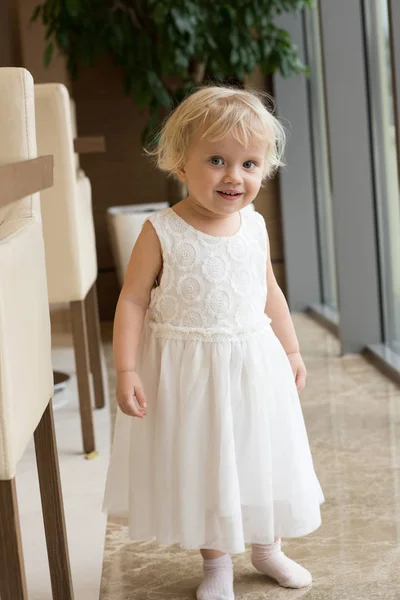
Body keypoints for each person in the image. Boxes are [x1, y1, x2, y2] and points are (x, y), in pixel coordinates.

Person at [103, 85, 324, 600]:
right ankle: (217, 562)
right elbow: (132, 300)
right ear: (181, 162)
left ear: (265, 169)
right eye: (218, 160)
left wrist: (291, 350)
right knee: (208, 464)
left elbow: (269, 291)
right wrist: (126, 369)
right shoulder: (161, 230)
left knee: (258, 453)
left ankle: (267, 548)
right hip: (190, 375)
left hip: (253, 365)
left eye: (249, 164)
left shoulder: (255, 226)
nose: (234, 176)